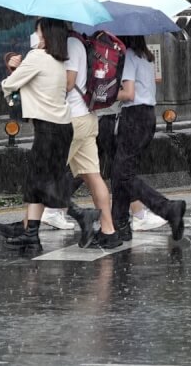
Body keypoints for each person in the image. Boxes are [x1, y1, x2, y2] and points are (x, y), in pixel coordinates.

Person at [0, 18, 99, 251]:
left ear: (45, 35)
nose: (37, 35)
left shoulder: (37, 57)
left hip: (48, 130)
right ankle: (31, 234)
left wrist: (12, 69)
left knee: (42, 185)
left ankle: (82, 214)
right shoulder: (58, 61)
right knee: (38, 182)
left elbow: (10, 84)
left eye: (39, 31)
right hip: (63, 128)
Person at [110, 35, 186, 241]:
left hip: (134, 116)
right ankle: (119, 223)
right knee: (121, 172)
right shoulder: (146, 56)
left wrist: (105, 93)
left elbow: (129, 93)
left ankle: (168, 208)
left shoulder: (128, 56)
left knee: (123, 174)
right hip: (147, 116)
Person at [64, 31, 122, 249]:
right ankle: (109, 231)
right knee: (93, 175)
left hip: (74, 118)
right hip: (89, 116)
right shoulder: (82, 43)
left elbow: (68, 83)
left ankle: (28, 228)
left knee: (46, 175)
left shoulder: (70, 44)